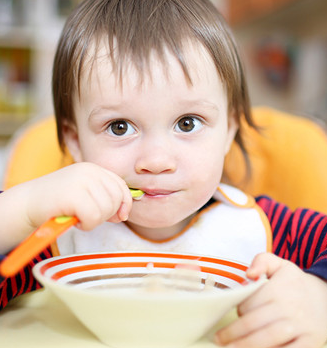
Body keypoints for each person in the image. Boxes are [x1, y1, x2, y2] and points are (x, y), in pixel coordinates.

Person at [1, 0, 327, 347]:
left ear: (229, 129)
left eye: (187, 123)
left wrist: (318, 294)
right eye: (120, 126)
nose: (156, 161)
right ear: (74, 139)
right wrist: (22, 208)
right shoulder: (58, 241)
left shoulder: (265, 227)